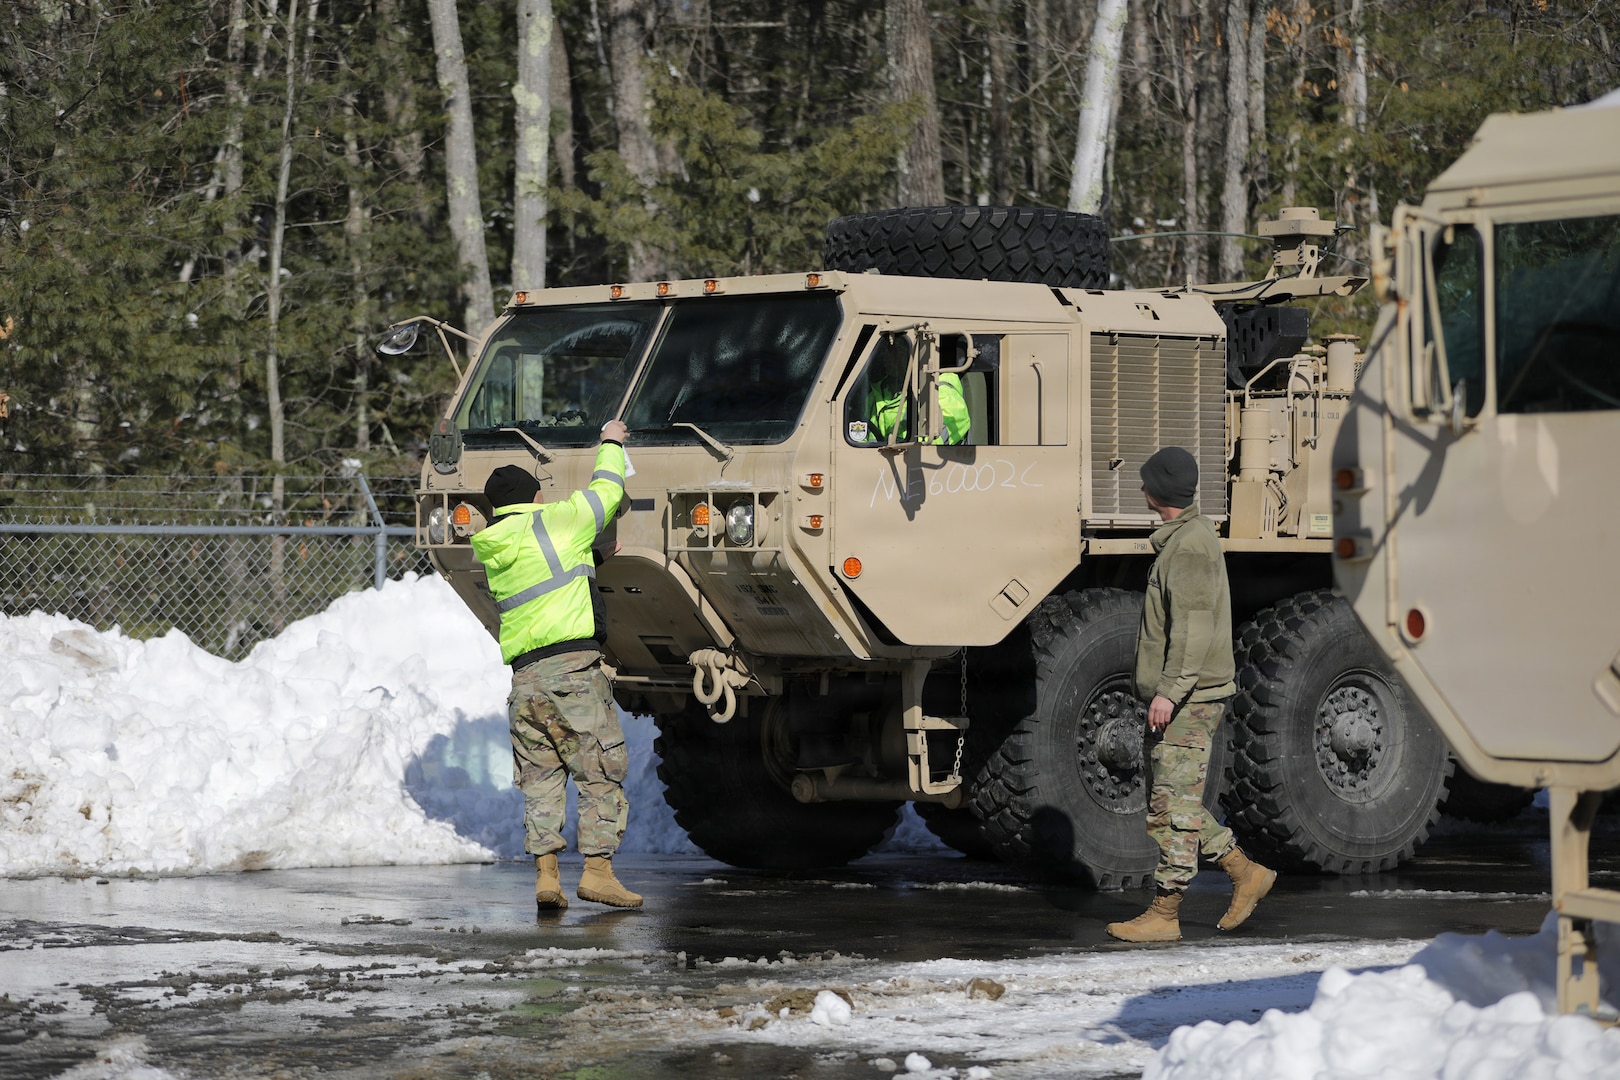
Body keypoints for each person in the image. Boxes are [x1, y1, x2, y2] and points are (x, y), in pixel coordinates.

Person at [469, 420, 641, 913]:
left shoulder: (497, 546)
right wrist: (611, 441)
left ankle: (547, 880)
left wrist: (592, 558)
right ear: (534, 494)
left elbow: (546, 579)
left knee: (542, 781)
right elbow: (607, 489)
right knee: (600, 771)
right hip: (573, 675)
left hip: (526, 683)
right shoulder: (559, 520)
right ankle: (598, 874)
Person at [1105, 446, 1275, 943]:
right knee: (1169, 803)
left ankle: (1165, 913)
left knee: (1174, 806)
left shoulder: (1191, 548)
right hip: (1187, 696)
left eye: (1144, 484)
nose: (1140, 491)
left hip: (1190, 698)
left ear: (1159, 491)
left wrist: (1170, 692)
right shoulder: (1185, 540)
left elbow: (1194, 632)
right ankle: (1245, 873)